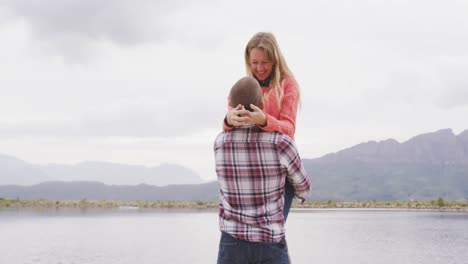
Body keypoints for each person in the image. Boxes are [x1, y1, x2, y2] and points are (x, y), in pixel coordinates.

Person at [215, 76, 311, 264]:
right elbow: (304, 187)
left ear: (233, 107)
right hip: (269, 242)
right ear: (261, 104)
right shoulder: (281, 143)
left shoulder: (220, 142)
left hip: (231, 242)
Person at [223, 32, 300, 220]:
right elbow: (228, 127)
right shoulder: (243, 88)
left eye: (264, 62)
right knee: (257, 238)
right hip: (251, 173)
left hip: (280, 173)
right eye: (254, 62)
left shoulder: (288, 85)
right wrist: (228, 120)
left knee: (274, 235)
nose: (259, 68)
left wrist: (264, 120)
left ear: (275, 60)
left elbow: (289, 128)